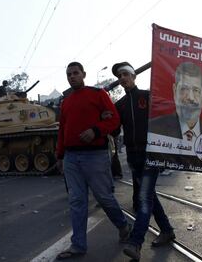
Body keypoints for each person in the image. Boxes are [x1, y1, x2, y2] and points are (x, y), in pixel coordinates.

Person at [55, 62, 131, 260]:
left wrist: (95, 130)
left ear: (83, 74)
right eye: (69, 74)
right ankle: (78, 245)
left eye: (75, 73)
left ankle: (123, 226)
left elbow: (114, 120)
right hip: (71, 157)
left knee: (104, 197)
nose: (72, 76)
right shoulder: (67, 101)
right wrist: (60, 156)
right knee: (77, 201)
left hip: (95, 155)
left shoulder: (98, 94)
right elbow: (62, 130)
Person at [111, 62, 175, 260]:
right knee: (149, 196)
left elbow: (167, 118)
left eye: (125, 74)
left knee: (144, 198)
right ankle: (167, 231)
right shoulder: (119, 105)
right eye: (119, 76)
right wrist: (106, 115)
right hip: (133, 156)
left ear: (133, 76)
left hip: (151, 154)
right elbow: (114, 131)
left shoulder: (148, 97)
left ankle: (136, 242)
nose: (122, 79)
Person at [149, 61, 202, 142]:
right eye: (184, 89)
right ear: (174, 91)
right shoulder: (154, 129)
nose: (190, 98)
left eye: (196, 90)